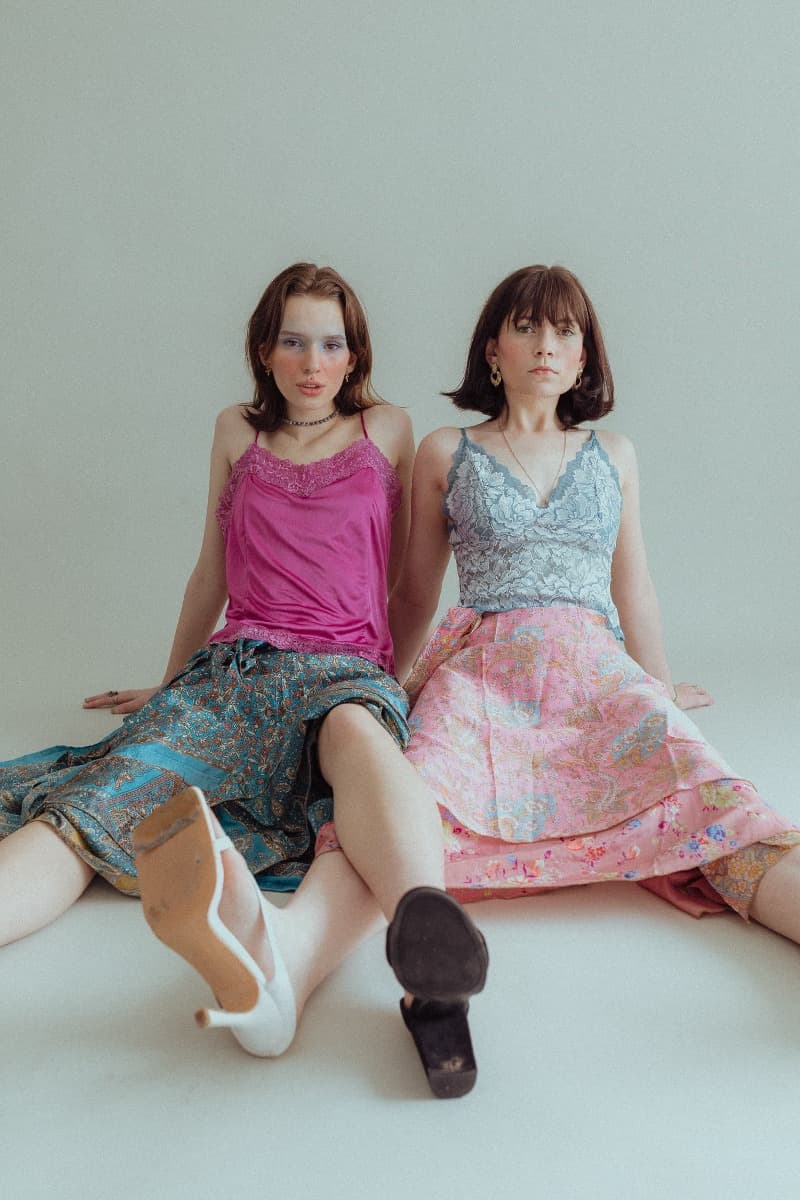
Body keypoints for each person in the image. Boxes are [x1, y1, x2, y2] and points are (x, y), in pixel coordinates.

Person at [0, 263, 487, 1099]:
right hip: (236, 668)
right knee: (99, 799)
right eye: (293, 341)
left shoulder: (390, 430)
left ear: (353, 352)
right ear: (264, 350)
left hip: (344, 668)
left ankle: (430, 951)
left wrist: (391, 679)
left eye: (331, 344)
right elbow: (207, 575)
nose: (311, 362)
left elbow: (413, 586)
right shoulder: (237, 431)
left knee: (359, 740)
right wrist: (167, 687)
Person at [389, 264, 800, 942]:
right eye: (525, 329)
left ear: (584, 355)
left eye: (564, 331)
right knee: (408, 796)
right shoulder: (445, 450)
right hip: (482, 673)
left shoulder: (614, 453)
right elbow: (414, 593)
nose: (545, 346)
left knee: (714, 798)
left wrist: (658, 690)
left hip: (594, 669)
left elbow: (632, 586)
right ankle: (385, 945)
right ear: (493, 351)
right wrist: (386, 689)